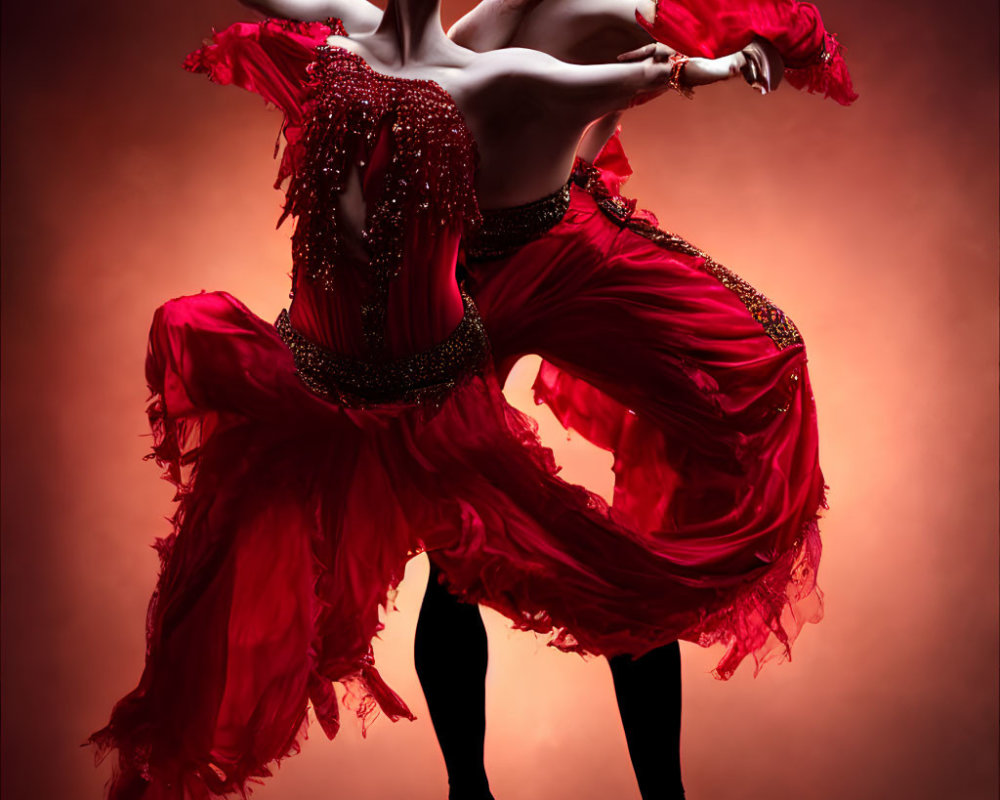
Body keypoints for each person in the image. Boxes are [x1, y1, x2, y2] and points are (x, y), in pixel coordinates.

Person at [89, 3, 819, 799]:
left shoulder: (573, 25)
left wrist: (741, 55)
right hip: (442, 292)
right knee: (457, 545)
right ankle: (468, 787)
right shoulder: (373, 30)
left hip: (551, 248)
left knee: (734, 387)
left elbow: (659, 62)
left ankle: (657, 779)